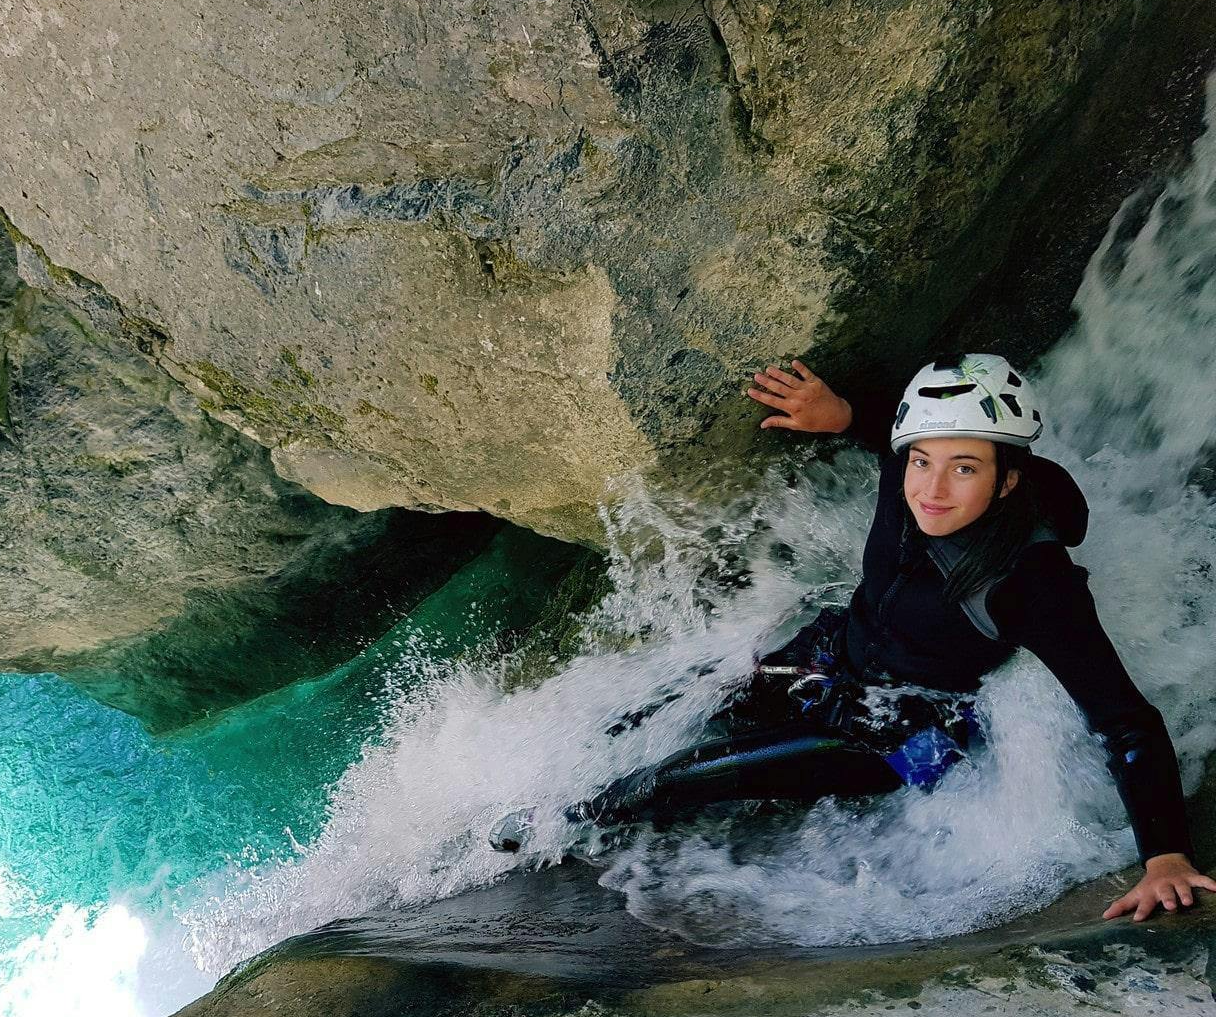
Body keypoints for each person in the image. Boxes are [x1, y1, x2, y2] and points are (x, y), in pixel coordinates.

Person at [494, 354, 1211, 924]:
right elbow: (897, 438)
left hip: (899, 730)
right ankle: (533, 781)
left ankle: (547, 835)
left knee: (685, 776)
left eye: (964, 469)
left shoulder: (1033, 583)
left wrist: (1165, 857)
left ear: (1006, 480)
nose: (931, 489)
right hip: (832, 655)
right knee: (674, 704)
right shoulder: (911, 471)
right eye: (923, 461)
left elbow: (1126, 721)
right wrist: (842, 415)